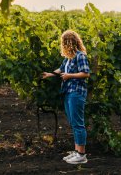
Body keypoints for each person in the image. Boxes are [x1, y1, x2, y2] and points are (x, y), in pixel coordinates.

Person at [42, 30, 90, 164]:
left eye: (63, 42)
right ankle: (77, 151)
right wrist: (50, 74)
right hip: (68, 92)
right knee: (73, 123)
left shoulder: (80, 56)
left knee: (78, 123)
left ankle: (81, 154)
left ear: (68, 42)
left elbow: (85, 73)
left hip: (76, 92)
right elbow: (61, 69)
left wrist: (70, 76)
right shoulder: (68, 57)